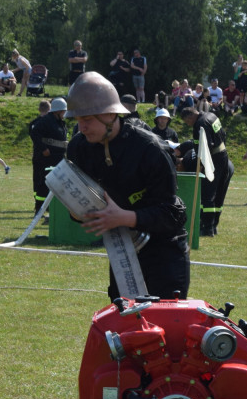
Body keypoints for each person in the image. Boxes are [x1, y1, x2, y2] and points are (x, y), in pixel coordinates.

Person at [64, 72, 189, 300]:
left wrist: (124, 217)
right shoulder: (78, 149)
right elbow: (82, 209)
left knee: (166, 328)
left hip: (164, 253)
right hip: (122, 251)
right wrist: (77, 211)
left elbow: (174, 214)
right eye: (78, 120)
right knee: (124, 327)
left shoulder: (150, 149)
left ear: (110, 114)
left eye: (87, 120)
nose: (81, 127)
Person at [179, 105, 232, 237]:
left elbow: (205, 147)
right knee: (219, 193)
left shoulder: (200, 125)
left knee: (207, 194)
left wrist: (203, 165)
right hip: (223, 155)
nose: (188, 125)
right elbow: (223, 134)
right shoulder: (212, 116)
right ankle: (214, 225)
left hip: (212, 159)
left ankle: (207, 228)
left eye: (187, 122)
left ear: (190, 116)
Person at [29, 97, 68, 216]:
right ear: (58, 111)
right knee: (44, 184)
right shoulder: (46, 121)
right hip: (46, 159)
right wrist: (44, 148)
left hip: (57, 158)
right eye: (63, 111)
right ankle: (39, 209)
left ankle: (51, 208)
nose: (65, 113)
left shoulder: (59, 122)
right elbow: (34, 133)